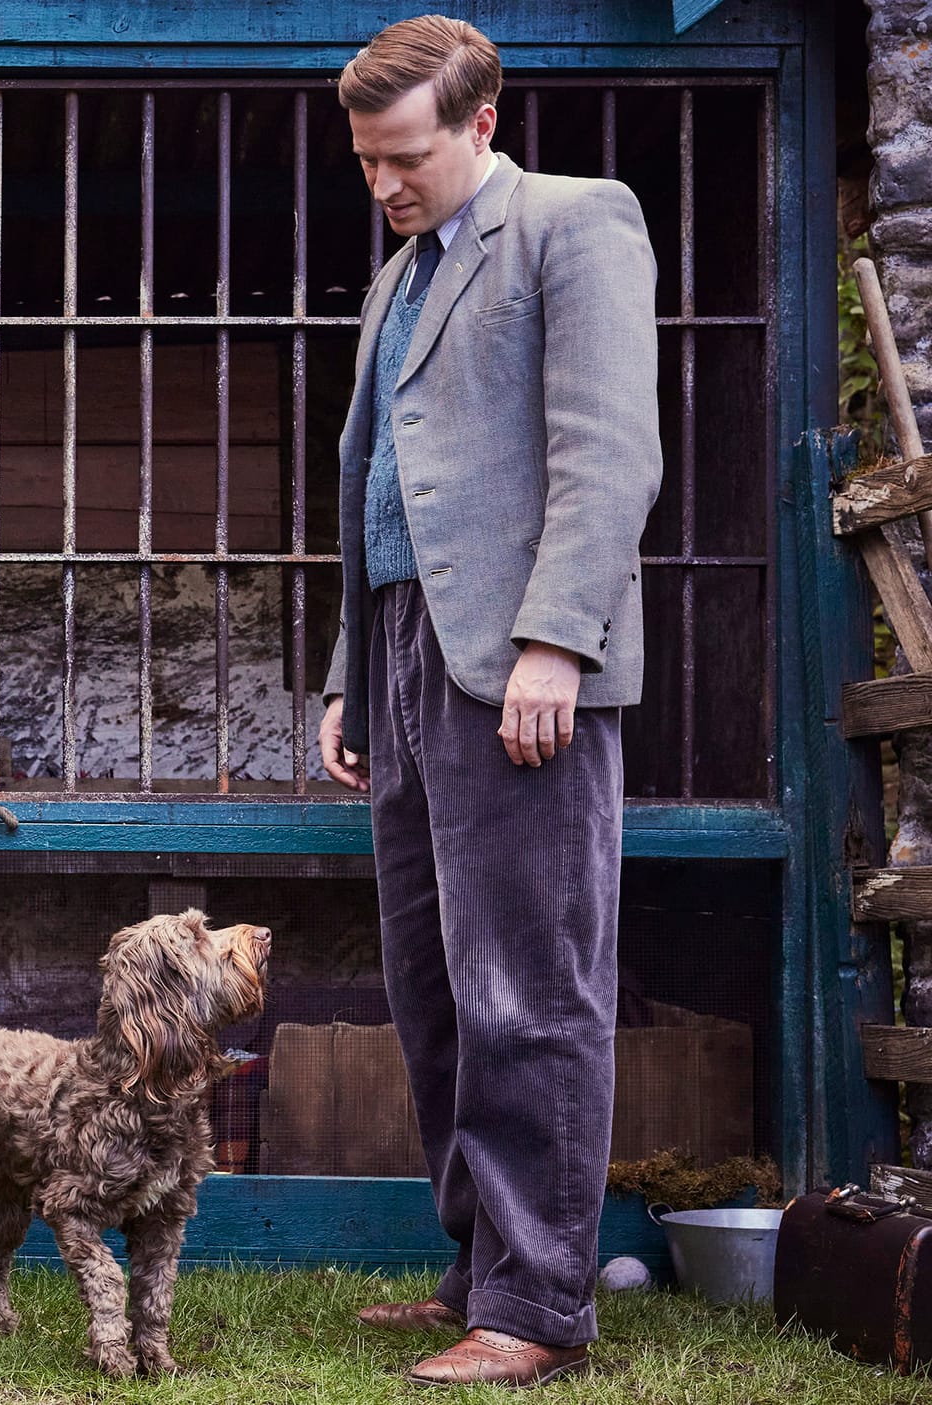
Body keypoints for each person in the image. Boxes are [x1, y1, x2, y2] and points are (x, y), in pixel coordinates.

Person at [315, 15, 662, 1388]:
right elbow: (374, 492)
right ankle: (478, 1268)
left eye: (406, 157)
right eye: (366, 162)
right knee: (435, 987)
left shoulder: (580, 225)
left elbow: (608, 450)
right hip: (406, 653)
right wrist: (350, 667)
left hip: (522, 660)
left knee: (529, 983)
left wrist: (554, 644)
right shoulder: (400, 275)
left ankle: (536, 1306)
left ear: (482, 126)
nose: (386, 184)